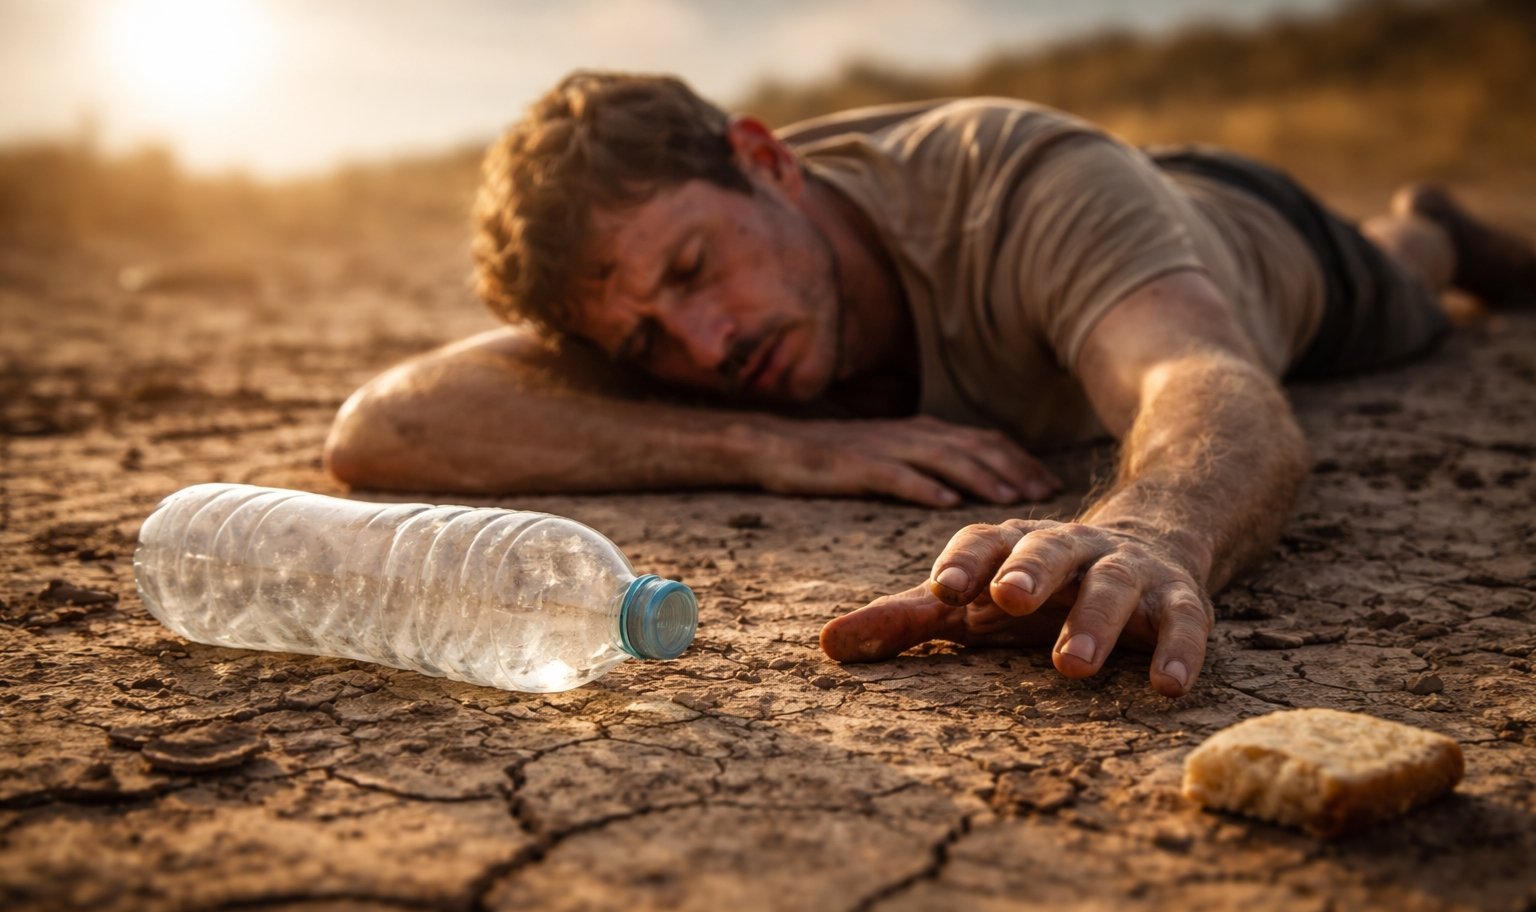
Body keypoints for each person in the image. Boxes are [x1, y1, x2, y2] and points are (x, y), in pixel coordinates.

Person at [323, 72, 1536, 698]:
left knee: (1405, 288)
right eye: (643, 341)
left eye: (694, 266)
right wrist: (772, 444)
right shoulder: (683, 317)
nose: (696, 343)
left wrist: (1152, 527)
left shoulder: (1022, 185)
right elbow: (389, 426)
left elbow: (1200, 374)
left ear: (762, 159)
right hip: (1133, 213)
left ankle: (1431, 223)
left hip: (1260, 240)